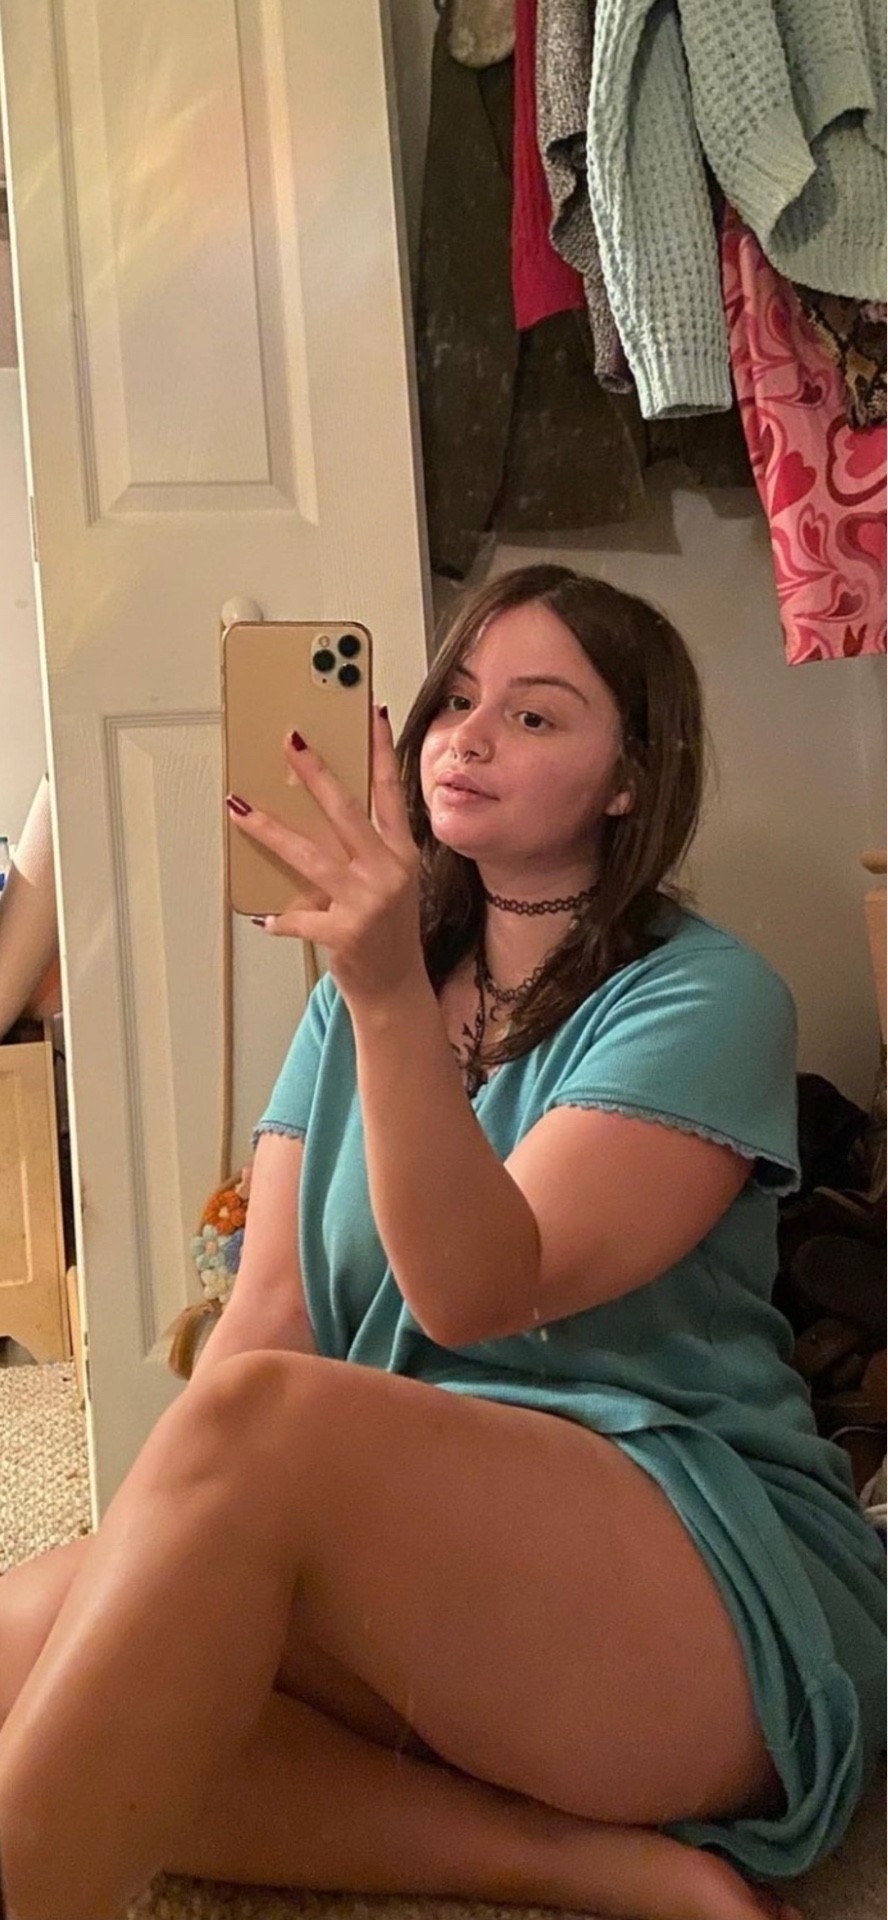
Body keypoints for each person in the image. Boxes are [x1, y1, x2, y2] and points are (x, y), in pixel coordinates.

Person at [0, 565, 883, 1920]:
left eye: (534, 715)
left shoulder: (709, 996)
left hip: (702, 1583)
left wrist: (382, 990)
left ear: (629, 780)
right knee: (57, 1664)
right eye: (456, 699)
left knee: (259, 1432)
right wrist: (146, 1570)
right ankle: (579, 1864)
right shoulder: (367, 997)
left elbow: (476, 1292)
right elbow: (274, 1310)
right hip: (422, 1571)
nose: (467, 737)